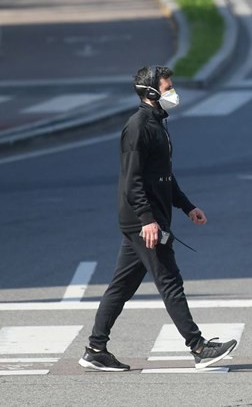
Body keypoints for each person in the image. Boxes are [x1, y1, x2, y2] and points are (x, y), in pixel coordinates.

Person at [80, 65, 236, 372]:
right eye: (168, 89)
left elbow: (163, 176)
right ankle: (199, 347)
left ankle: (95, 349)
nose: (173, 93)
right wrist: (147, 220)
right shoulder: (138, 127)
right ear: (151, 93)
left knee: (121, 287)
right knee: (170, 281)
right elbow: (132, 181)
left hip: (147, 220)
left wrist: (187, 206)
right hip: (144, 223)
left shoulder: (157, 124)